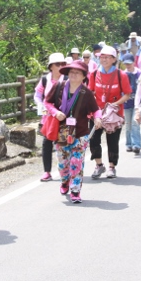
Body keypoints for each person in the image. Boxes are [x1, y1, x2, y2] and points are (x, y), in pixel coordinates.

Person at [44, 61, 103, 203]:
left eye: (77, 72)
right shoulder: (58, 86)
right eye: (71, 72)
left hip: (80, 133)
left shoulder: (86, 92)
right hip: (61, 133)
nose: (73, 74)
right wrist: (55, 112)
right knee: (63, 164)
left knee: (77, 162)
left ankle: (75, 190)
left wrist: (98, 118)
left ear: (83, 76)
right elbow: (47, 102)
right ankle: (65, 181)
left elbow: (96, 109)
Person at [88, 45, 132, 179]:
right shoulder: (94, 74)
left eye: (107, 57)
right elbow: (91, 93)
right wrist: (94, 108)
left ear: (114, 59)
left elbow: (127, 94)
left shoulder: (121, 75)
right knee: (94, 139)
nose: (104, 59)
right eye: (102, 57)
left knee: (112, 140)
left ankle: (112, 167)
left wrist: (114, 104)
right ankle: (99, 164)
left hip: (114, 114)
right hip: (97, 113)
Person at [34, 53, 67, 182]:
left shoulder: (67, 79)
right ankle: (47, 171)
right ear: (51, 66)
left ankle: (65, 169)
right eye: (58, 64)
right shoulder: (45, 80)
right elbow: (37, 95)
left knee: (64, 142)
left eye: (63, 64)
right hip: (48, 116)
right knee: (47, 142)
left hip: (63, 116)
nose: (61, 67)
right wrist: (41, 106)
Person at [122, 54, 141, 153]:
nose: (128, 66)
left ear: (134, 62)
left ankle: (136, 144)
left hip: (138, 103)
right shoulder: (122, 74)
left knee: (135, 123)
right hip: (126, 102)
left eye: (129, 63)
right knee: (128, 124)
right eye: (126, 64)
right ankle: (129, 144)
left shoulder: (140, 73)